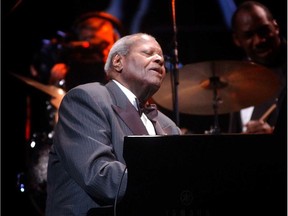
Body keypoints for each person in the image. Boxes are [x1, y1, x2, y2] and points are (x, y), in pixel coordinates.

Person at [45, 33, 182, 216]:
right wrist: (170, 185)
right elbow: (100, 175)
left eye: (162, 59)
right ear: (118, 62)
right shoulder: (87, 99)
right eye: (148, 53)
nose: (158, 59)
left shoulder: (168, 126)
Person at [23, 11, 124, 215]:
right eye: (87, 29)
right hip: (72, 140)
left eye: (98, 28)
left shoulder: (120, 70)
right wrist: (53, 82)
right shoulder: (67, 62)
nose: (91, 33)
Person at [228, 1, 286, 134]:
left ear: (275, 26)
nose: (260, 40)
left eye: (264, 31)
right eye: (249, 35)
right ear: (237, 39)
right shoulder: (236, 78)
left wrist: (274, 133)